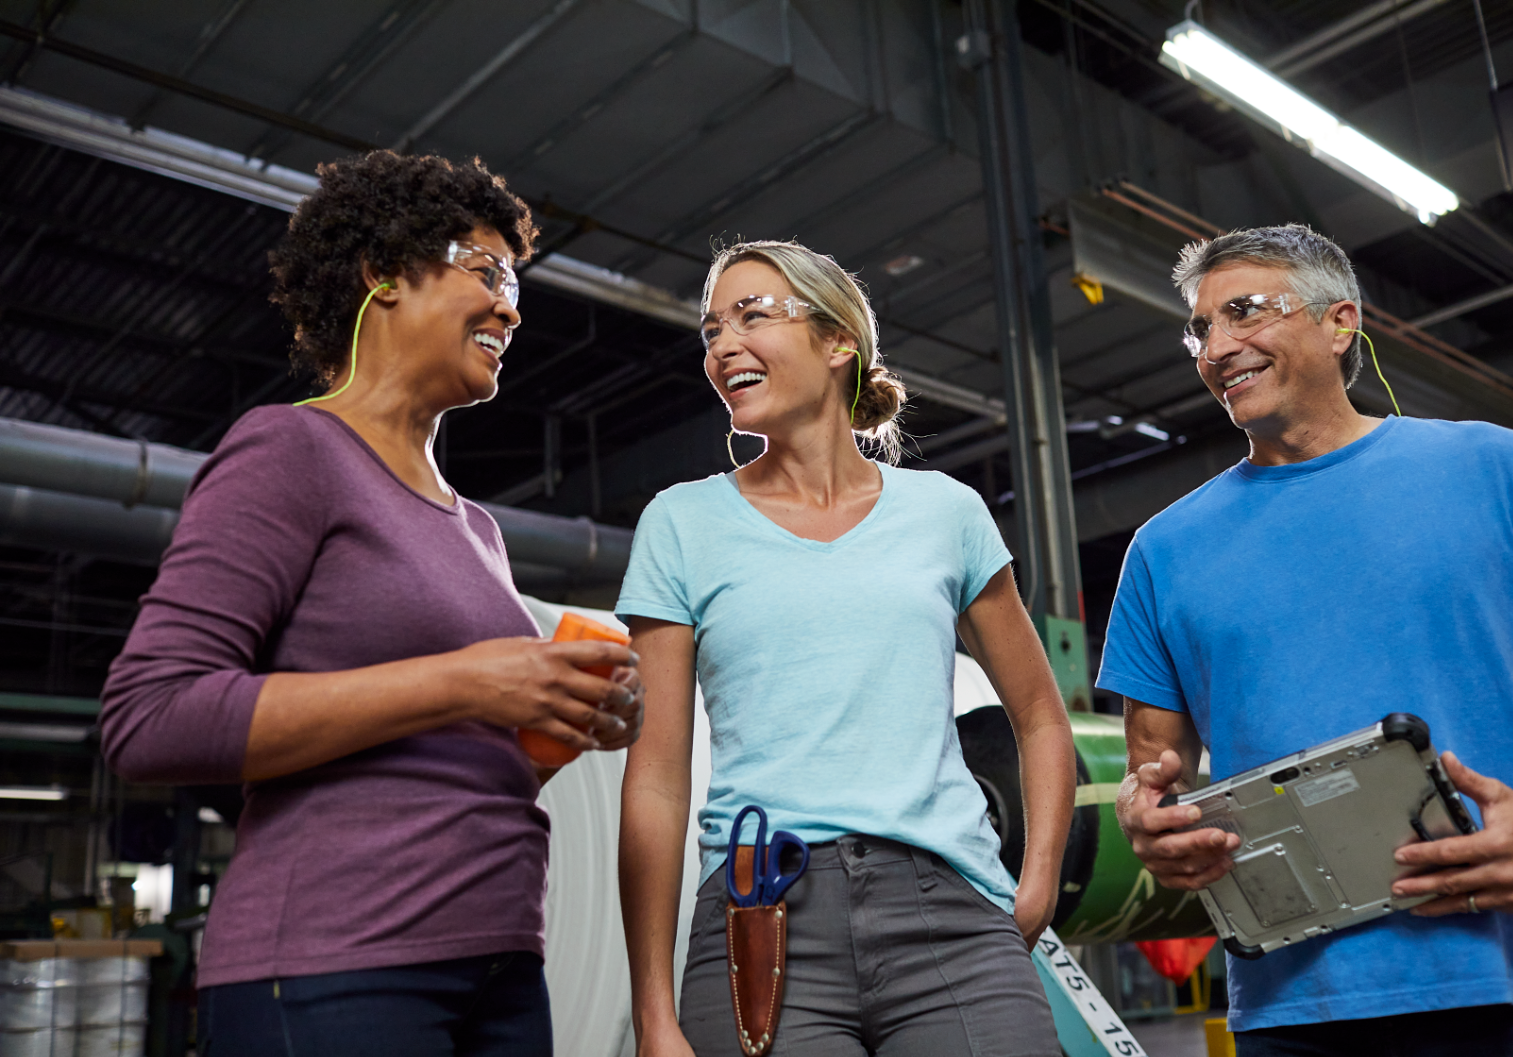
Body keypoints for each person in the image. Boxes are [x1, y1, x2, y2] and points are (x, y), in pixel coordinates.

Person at [99, 151, 644, 1057]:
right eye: (486, 270)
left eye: (517, 283)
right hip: (337, 968)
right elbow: (150, 716)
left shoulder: (479, 529)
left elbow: (451, 751)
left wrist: (564, 720)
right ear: (384, 275)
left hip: (500, 959)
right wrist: (465, 681)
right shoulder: (292, 449)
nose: (511, 305)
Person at [1099, 223, 1513, 1055]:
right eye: (1199, 328)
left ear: (1339, 322)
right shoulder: (1162, 550)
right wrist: (1150, 826)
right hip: (1301, 1010)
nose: (1217, 346)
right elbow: (1157, 781)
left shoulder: (1498, 469)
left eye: (1243, 311)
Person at [616, 239, 1073, 1057]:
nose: (723, 345)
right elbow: (654, 777)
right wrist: (653, 1010)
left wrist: (1035, 881)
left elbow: (1040, 715)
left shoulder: (947, 512)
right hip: (761, 914)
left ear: (838, 344)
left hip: (951, 914)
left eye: (754, 316)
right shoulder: (680, 524)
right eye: (711, 329)